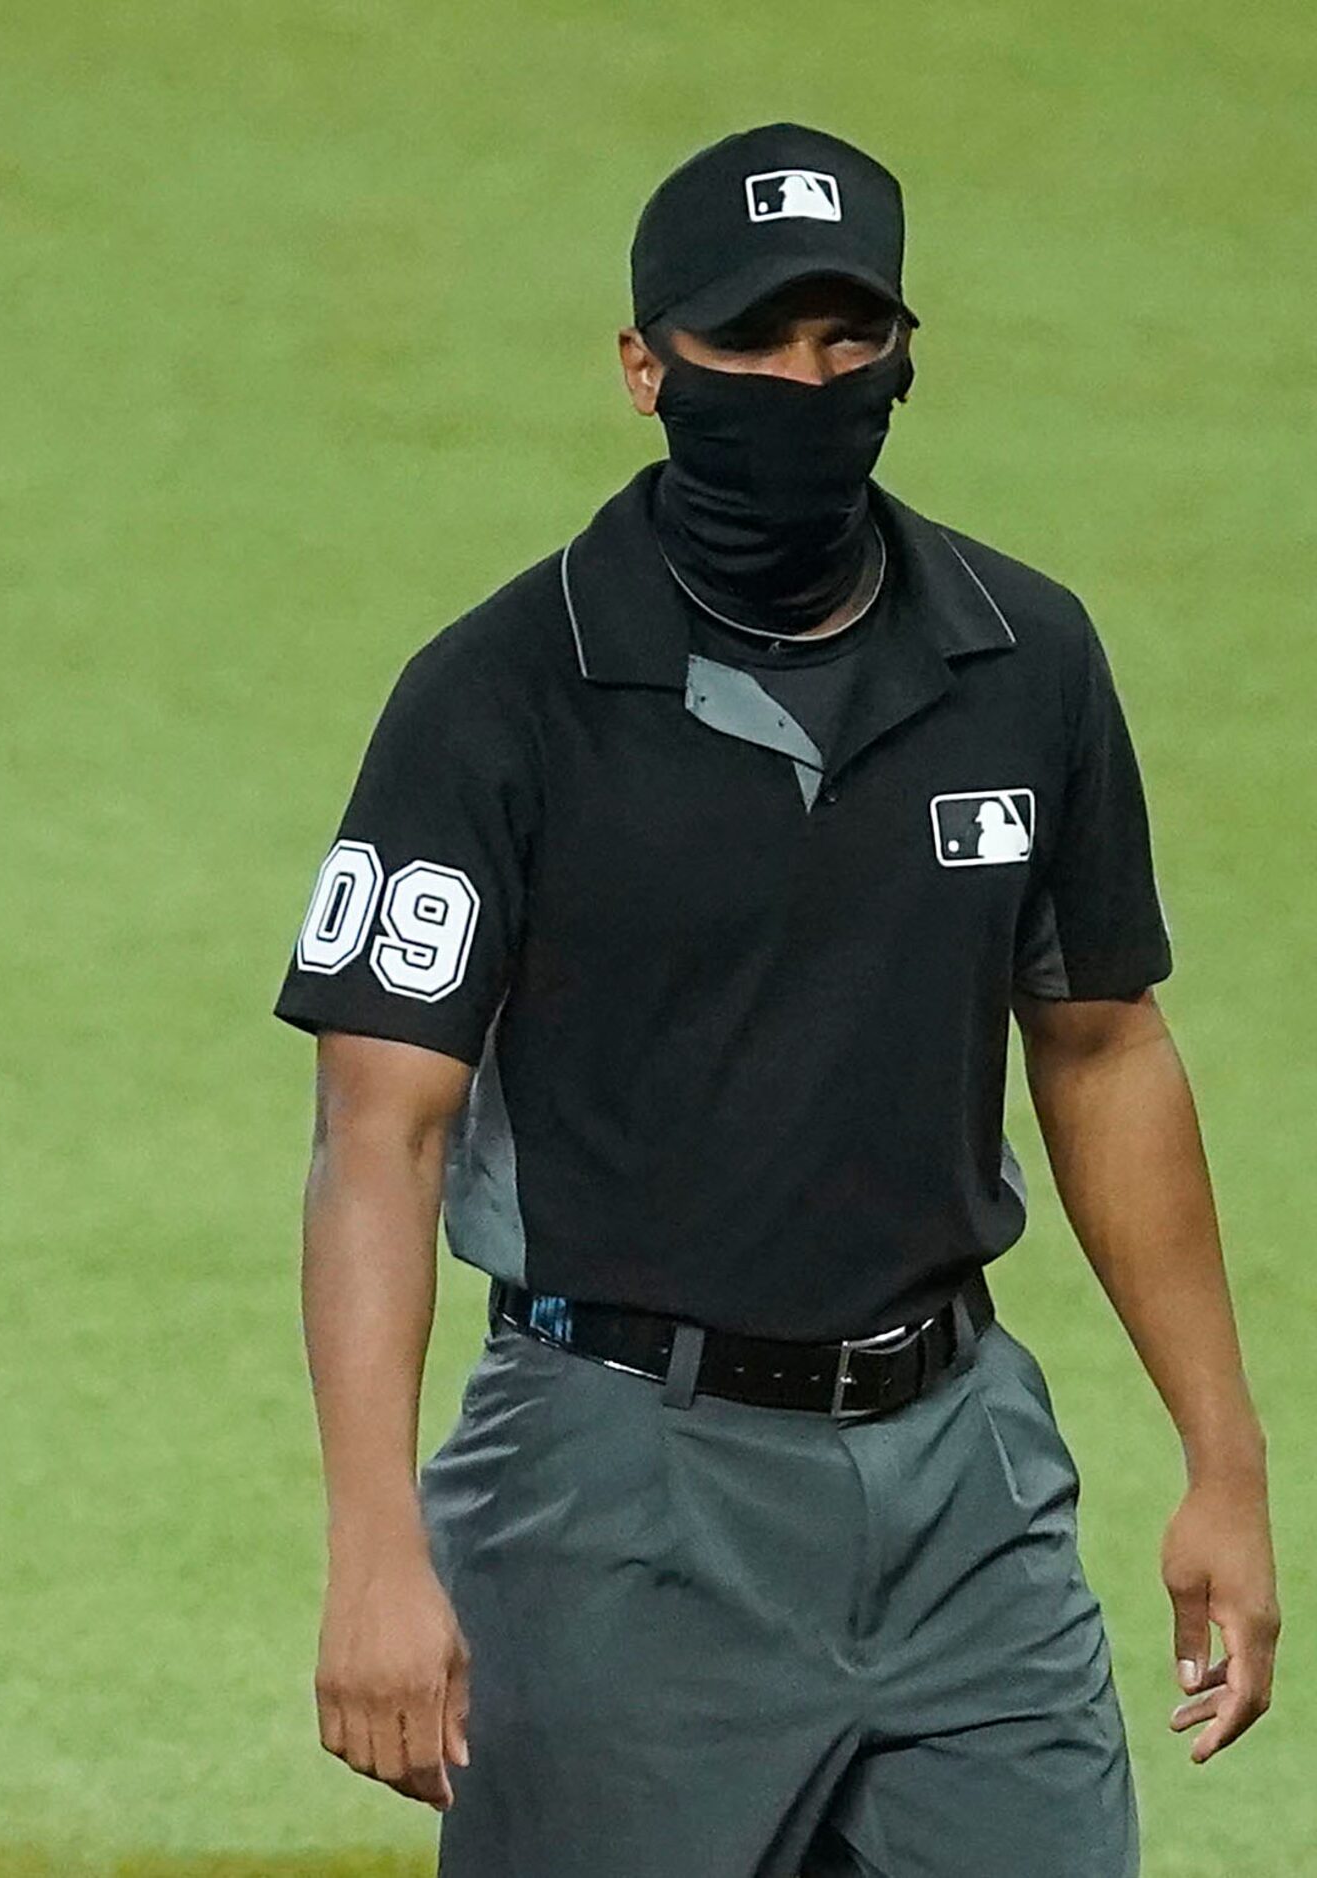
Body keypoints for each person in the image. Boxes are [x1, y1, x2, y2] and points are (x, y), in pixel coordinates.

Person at [278, 123, 1278, 1876]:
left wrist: (1225, 1456)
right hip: (619, 1493)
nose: (804, 384)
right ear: (643, 367)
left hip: (964, 1480)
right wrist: (376, 1544)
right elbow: (382, 1130)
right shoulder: (500, 696)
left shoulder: (1022, 658)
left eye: (846, 343)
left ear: (905, 355)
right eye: (749, 343)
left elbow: (1107, 1047)